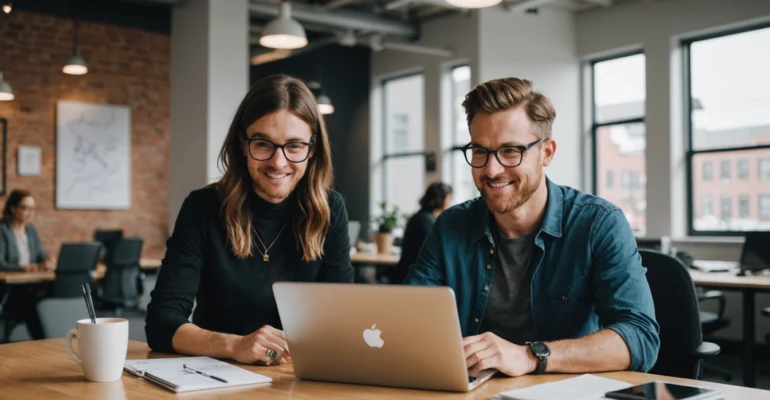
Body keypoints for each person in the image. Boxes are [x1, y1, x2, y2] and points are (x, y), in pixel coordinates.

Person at [405, 78, 659, 377]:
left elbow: (639, 338)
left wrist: (529, 356)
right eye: (480, 151)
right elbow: (411, 319)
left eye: (511, 151)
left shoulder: (598, 223)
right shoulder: (450, 225)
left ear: (547, 153)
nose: (492, 169)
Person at [146, 74, 354, 365]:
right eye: (263, 144)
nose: (278, 162)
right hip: (216, 377)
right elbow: (161, 324)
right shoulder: (203, 207)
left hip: (297, 378)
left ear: (312, 150)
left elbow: (342, 319)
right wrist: (235, 345)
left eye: (294, 146)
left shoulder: (330, 210)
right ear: (243, 145)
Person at [0, 189, 57, 340]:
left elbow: (40, 256)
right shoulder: (2, 230)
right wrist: (23, 268)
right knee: (29, 303)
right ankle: (43, 340)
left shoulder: (31, 230)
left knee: (51, 290)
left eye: (32, 208)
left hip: (29, 284)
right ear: (13, 209)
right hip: (8, 288)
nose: (30, 213)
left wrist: (48, 261)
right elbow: (1, 263)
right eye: (25, 208)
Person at [389, 182, 452, 284]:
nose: (450, 202)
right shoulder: (427, 221)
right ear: (443, 200)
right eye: (449, 198)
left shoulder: (422, 217)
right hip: (415, 280)